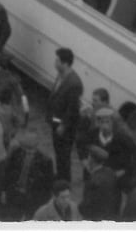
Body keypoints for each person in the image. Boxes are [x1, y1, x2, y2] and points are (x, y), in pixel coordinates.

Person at [0, 123, 57, 222]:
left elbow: (48, 184)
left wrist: (44, 204)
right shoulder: (16, 153)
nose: (28, 141)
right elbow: (7, 173)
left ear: (37, 141)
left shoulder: (45, 161)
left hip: (33, 199)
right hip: (15, 195)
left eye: (32, 139)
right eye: (27, 138)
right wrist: (4, 191)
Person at [47, 46, 83, 181]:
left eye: (57, 61)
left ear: (65, 63)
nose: (55, 63)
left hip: (66, 127)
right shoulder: (60, 76)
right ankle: (60, 175)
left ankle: (65, 180)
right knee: (58, 152)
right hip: (56, 121)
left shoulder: (74, 83)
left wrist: (63, 125)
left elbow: (72, 108)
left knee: (64, 154)